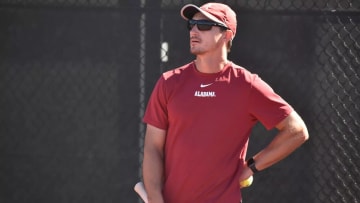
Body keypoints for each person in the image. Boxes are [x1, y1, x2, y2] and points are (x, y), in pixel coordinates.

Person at [141, 2, 309, 203]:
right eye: (192, 25)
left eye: (203, 25)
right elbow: (153, 148)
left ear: (227, 34)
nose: (194, 30)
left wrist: (251, 167)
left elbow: (296, 130)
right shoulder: (168, 83)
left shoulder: (247, 85)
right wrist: (155, 197)